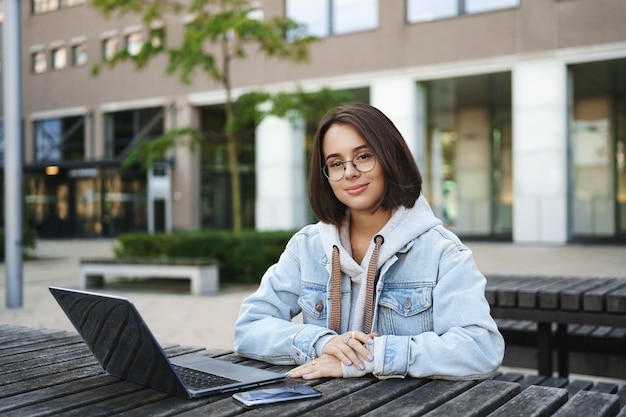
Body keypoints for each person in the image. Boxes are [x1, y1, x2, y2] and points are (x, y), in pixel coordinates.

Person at [234, 103, 504, 380]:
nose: (349, 172)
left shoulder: (441, 251)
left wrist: (369, 357)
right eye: (336, 163)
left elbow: (480, 349)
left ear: (391, 158)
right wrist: (321, 342)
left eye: (363, 156)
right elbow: (250, 327)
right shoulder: (307, 247)